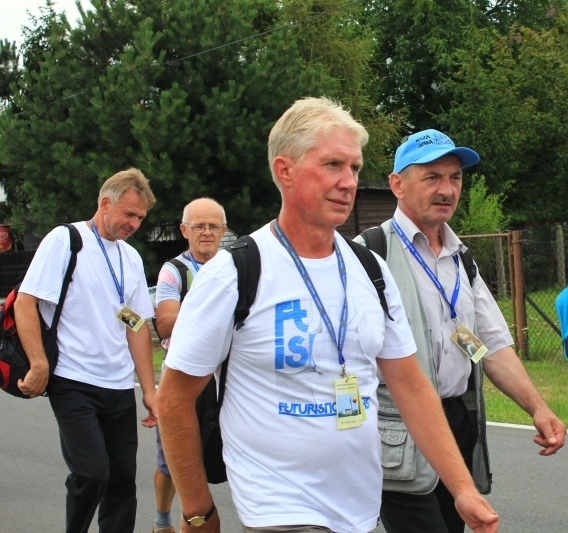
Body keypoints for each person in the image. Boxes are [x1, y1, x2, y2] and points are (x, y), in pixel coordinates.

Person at [156, 97, 498, 533]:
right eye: (333, 165)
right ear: (285, 171)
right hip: (278, 508)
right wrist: (197, 509)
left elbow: (410, 384)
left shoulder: (370, 269)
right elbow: (174, 398)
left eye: (354, 168)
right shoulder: (234, 272)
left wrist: (462, 487)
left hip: (358, 507)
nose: (348, 182)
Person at [358, 129, 567, 533]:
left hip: (456, 420)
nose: (447, 189)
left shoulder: (461, 258)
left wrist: (538, 408)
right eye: (432, 177)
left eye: (455, 178)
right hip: (396, 426)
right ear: (397, 184)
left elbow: (491, 345)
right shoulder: (367, 253)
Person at [14, 168, 158, 533]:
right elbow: (26, 303)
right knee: (92, 472)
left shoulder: (130, 258)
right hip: (73, 380)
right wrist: (38, 363)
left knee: (123, 480)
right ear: (105, 203)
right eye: (129, 214)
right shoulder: (67, 240)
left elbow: (137, 324)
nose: (134, 224)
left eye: (140, 217)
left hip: (118, 384)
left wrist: (150, 391)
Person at [151, 198, 227, 533]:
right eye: (199, 226)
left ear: (223, 230)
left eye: (213, 226)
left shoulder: (235, 266)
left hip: (225, 380)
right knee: (173, 464)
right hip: (182, 380)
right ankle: (162, 519)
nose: (207, 232)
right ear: (185, 231)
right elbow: (166, 323)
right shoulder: (175, 270)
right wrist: (217, 311)